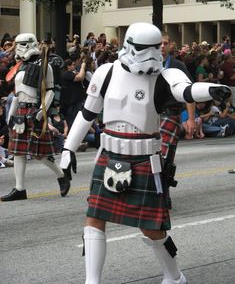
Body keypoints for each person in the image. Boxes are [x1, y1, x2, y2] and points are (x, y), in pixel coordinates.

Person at [60, 22, 231, 284]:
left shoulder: (165, 76)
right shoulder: (105, 72)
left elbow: (185, 90)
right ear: (128, 45)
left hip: (144, 158)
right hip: (109, 154)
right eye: (145, 48)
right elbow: (87, 113)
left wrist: (209, 89)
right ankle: (91, 281)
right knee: (94, 218)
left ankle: (174, 276)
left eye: (156, 48)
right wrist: (68, 148)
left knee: (152, 229)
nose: (153, 54)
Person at [0, 33, 71, 202]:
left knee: (39, 153)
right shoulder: (19, 67)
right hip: (20, 112)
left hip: (35, 111)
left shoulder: (44, 65)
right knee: (17, 152)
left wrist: (41, 112)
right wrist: (11, 114)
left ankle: (62, 176)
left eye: (21, 44)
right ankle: (19, 188)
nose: (18, 48)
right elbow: (17, 95)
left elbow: (51, 91)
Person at [160, 32, 196, 208]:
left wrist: (190, 119)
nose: (162, 46)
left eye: (165, 43)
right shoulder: (145, 66)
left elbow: (189, 93)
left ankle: (164, 192)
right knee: (146, 156)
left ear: (170, 45)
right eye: (159, 43)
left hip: (171, 114)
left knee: (166, 157)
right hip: (149, 115)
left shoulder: (178, 65)